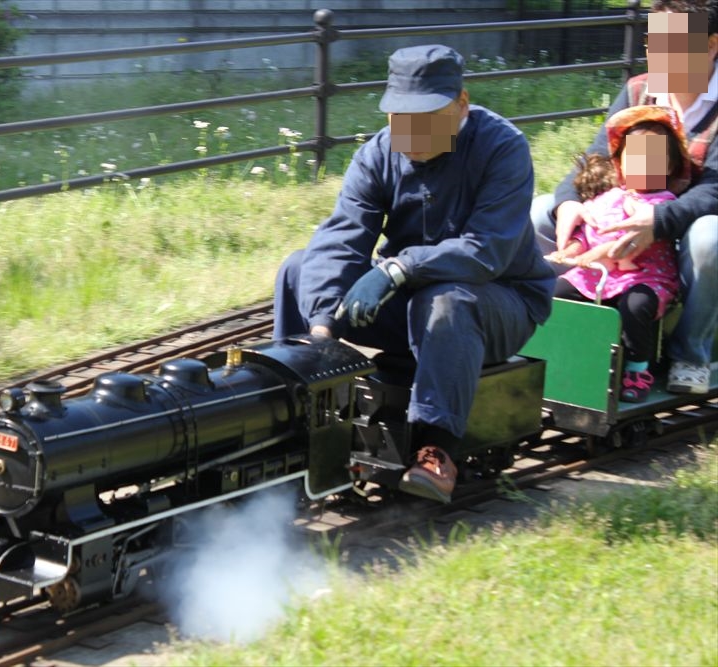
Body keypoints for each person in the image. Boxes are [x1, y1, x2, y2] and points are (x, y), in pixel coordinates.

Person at [273, 45, 555, 503]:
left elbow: (486, 252)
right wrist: (324, 328)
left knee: (446, 300)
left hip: (499, 302)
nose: (410, 131)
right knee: (298, 267)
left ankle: (436, 448)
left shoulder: (503, 148)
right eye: (400, 117)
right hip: (410, 295)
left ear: (461, 104)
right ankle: (294, 406)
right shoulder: (377, 154)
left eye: (426, 116)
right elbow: (343, 236)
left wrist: (399, 269)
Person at [531, 0, 718, 395]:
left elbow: (714, 189)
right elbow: (597, 159)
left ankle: (690, 354)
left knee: (710, 238)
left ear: (711, 45)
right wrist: (569, 203)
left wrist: (659, 221)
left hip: (687, 225)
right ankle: (557, 336)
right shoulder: (639, 89)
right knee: (538, 213)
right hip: (626, 214)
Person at [546, 106, 693, 402]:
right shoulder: (608, 197)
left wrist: (593, 255)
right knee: (557, 291)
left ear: (668, 166)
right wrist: (569, 252)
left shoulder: (661, 203)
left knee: (636, 306)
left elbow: (626, 243)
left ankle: (638, 369)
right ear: (621, 164)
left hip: (644, 276)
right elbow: (587, 231)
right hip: (599, 274)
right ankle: (567, 355)